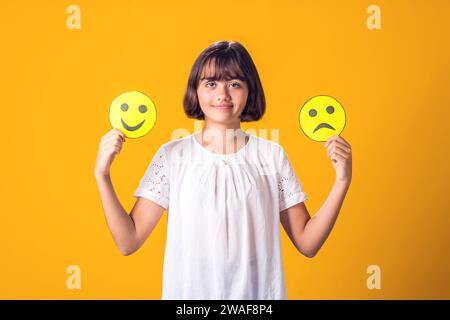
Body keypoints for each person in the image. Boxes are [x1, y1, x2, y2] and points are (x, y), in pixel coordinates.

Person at [94, 40, 352, 300]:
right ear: (195, 90)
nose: (223, 94)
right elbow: (128, 241)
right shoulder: (173, 156)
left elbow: (308, 244)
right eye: (211, 83)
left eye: (235, 84)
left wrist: (342, 180)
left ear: (250, 91)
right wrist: (102, 176)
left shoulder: (272, 157)